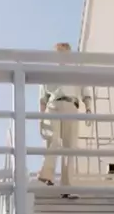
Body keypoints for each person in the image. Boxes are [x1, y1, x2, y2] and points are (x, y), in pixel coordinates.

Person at [37, 42, 92, 199]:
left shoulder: (77, 71)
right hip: (53, 105)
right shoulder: (48, 73)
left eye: (64, 52)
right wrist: (41, 117)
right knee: (53, 141)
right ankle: (46, 175)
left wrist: (88, 109)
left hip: (71, 105)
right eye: (58, 53)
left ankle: (67, 186)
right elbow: (43, 98)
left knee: (69, 146)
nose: (61, 56)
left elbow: (85, 92)